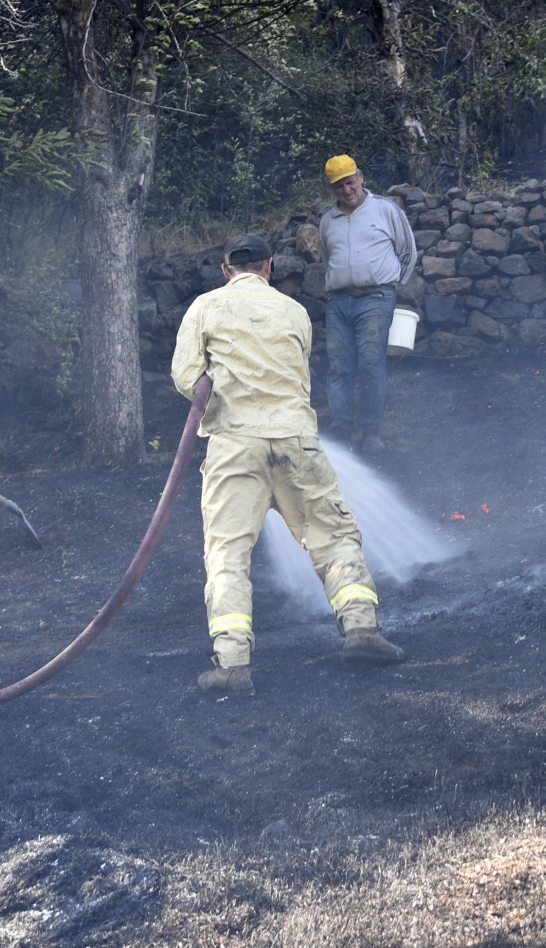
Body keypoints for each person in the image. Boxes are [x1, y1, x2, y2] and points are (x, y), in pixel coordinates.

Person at [172, 232, 406, 693]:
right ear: (269, 267)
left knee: (228, 553)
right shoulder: (294, 312)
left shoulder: (205, 308)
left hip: (235, 446)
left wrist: (221, 405)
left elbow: (185, 378)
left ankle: (233, 665)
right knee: (334, 536)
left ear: (226, 271)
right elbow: (299, 374)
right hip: (298, 441)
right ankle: (362, 629)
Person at [316, 154, 417, 454]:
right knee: (338, 368)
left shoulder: (385, 210)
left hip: (376, 297)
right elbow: (326, 260)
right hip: (338, 301)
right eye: (339, 186)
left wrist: (391, 287)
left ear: (360, 177)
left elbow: (407, 251)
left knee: (371, 365)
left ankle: (371, 432)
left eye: (350, 182)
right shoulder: (327, 221)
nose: (346, 190)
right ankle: (342, 432)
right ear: (332, 189)